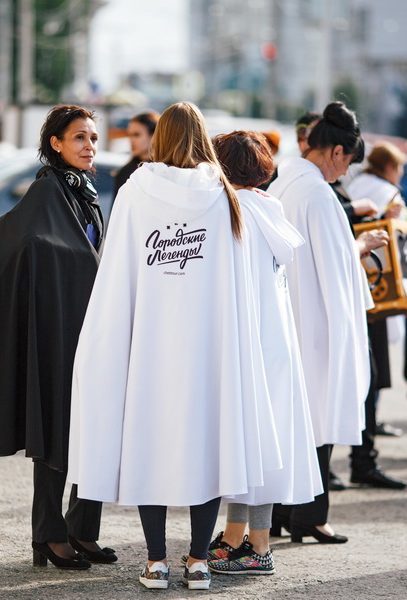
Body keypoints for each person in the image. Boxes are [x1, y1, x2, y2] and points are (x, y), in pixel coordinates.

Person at [67, 102, 281, 590]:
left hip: (151, 345)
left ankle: (156, 562)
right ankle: (200, 560)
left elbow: (117, 272)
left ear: (160, 138)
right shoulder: (222, 193)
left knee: (151, 447)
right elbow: (235, 283)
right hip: (208, 349)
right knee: (208, 448)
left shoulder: (135, 191)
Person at [0, 105, 115, 571]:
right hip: (58, 329)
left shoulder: (81, 190)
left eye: (93, 138)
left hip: (83, 327)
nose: (90, 146)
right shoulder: (48, 190)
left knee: (90, 430)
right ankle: (48, 534)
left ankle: (82, 530)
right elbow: (23, 245)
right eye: (80, 138)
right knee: (58, 431)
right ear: (56, 144)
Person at [267, 101, 388, 543]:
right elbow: (335, 269)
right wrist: (362, 246)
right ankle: (311, 516)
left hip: (288, 315)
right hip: (317, 321)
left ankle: (280, 513)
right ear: (336, 151)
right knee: (320, 417)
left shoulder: (282, 185)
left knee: (292, 421)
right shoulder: (318, 194)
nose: (345, 172)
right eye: (348, 163)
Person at [207, 131, 322, 575]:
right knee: (261, 447)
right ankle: (242, 540)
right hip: (275, 343)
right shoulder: (268, 208)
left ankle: (257, 547)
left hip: (248, 341)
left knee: (246, 444)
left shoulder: (229, 211)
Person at [338, 141, 407, 490]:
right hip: (371, 288)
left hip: (354, 287)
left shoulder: (345, 187)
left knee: (364, 374)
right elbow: (403, 232)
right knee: (367, 376)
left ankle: (353, 461)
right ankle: (360, 461)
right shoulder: (385, 193)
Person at [111, 110, 159, 202]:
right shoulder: (125, 172)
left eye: (136, 135)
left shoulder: (165, 170)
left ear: (153, 136)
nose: (131, 140)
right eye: (129, 135)